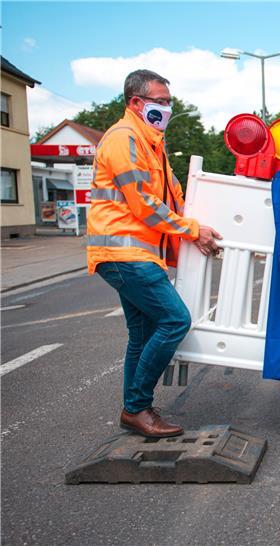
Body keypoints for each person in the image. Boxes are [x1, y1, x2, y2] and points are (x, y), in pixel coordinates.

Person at [87, 69, 222, 438]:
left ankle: (134, 409)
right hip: (123, 251)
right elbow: (143, 203)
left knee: (143, 333)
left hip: (133, 252)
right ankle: (136, 407)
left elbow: (174, 196)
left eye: (169, 102)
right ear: (136, 102)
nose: (167, 108)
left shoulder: (151, 142)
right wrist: (192, 230)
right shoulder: (125, 138)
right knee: (175, 320)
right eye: (160, 102)